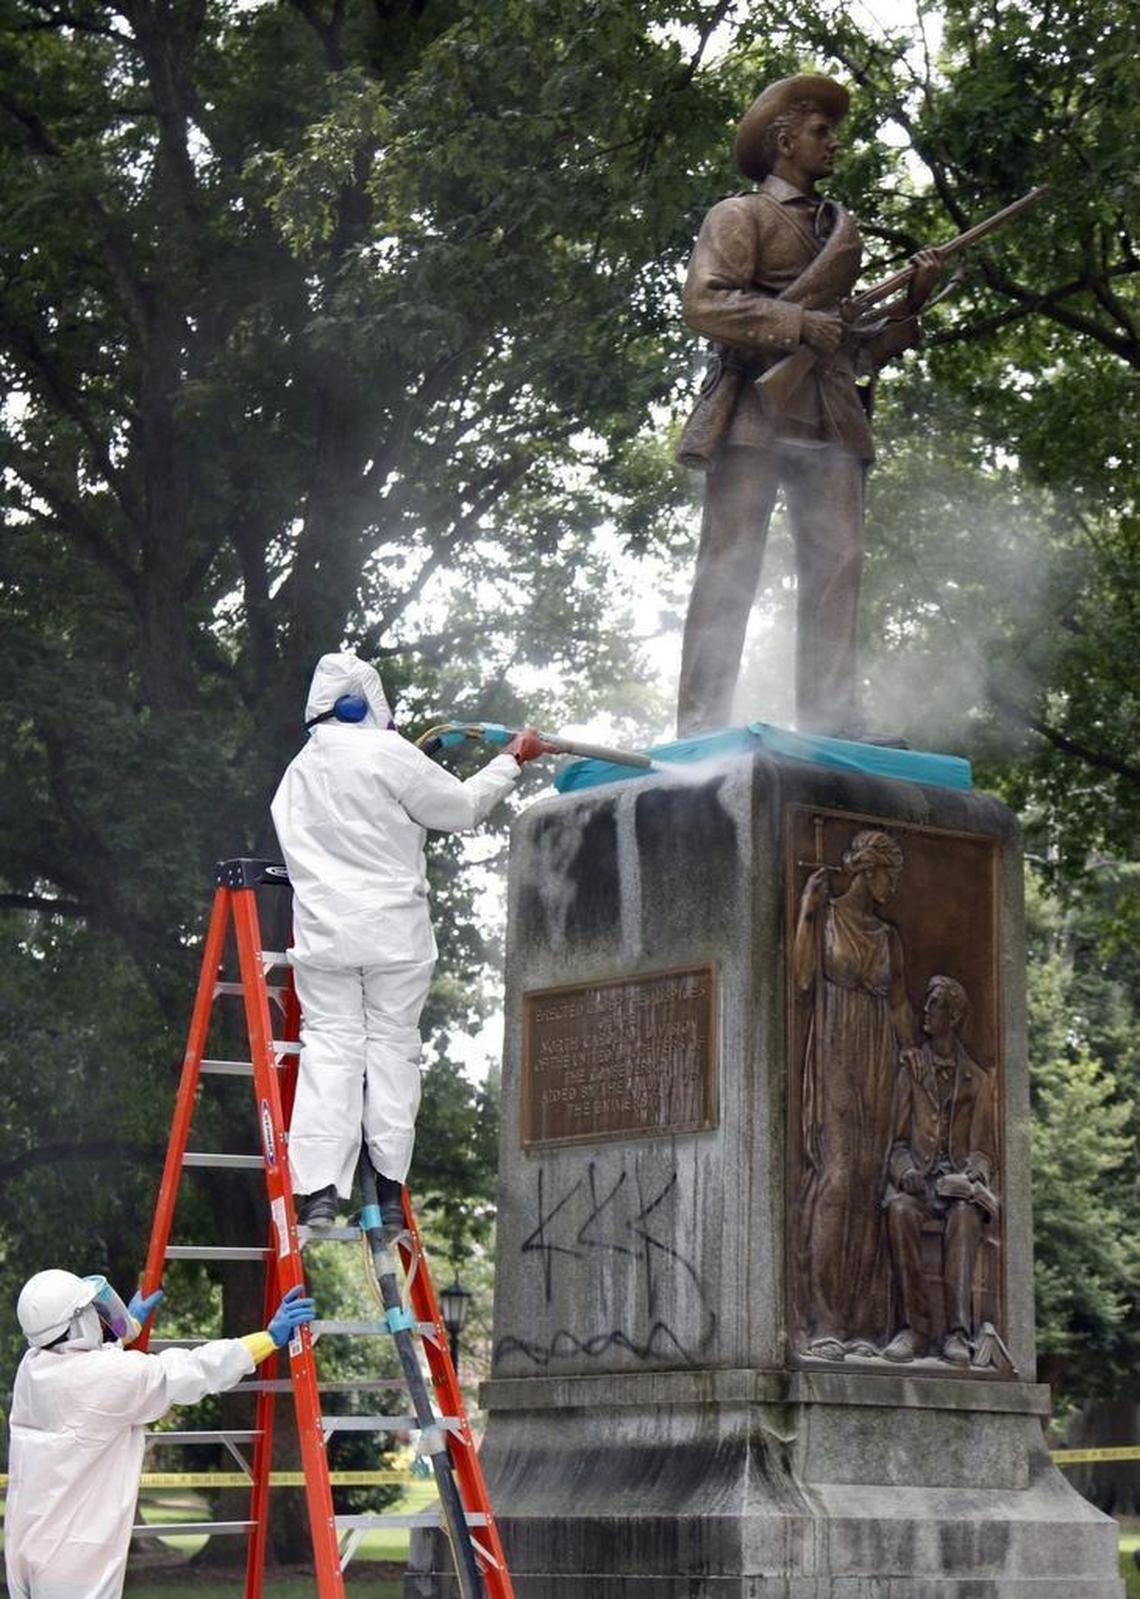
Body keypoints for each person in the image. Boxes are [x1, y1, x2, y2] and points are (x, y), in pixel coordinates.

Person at [675, 73, 942, 737]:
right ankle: (701, 722)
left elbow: (855, 348)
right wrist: (797, 325)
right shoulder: (739, 217)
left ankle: (832, 718)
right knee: (729, 565)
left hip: (828, 413)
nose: (833, 143)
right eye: (820, 131)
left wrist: (911, 303)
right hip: (753, 414)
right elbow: (706, 303)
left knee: (840, 561)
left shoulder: (834, 230)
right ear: (784, 139)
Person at [271, 651, 553, 1229]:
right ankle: (389, 1188)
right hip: (393, 934)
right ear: (359, 703)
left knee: (330, 1047)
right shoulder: (386, 753)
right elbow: (463, 808)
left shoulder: (294, 777)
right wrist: (512, 760)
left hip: (325, 934)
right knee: (393, 1047)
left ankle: (320, 1190)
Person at [5, 1267, 315, 1599]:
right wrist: (268, 1338)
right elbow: (194, 1370)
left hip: (24, 1545)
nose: (99, 1317)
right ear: (79, 1323)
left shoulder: (32, 1368)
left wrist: (129, 1327)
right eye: (93, 1312)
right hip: (71, 1564)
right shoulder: (108, 1377)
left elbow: (80, 1358)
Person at [793, 828, 917, 1357]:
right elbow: (801, 978)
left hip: (880, 1061)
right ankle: (825, 1319)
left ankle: (864, 1327)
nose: (896, 885)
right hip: (837, 1052)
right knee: (838, 1180)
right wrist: (805, 912)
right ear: (869, 870)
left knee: (869, 1185)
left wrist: (918, 1066)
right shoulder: (825, 918)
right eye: (891, 873)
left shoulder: (889, 937)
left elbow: (901, 1008)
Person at [882, 974, 999, 1365]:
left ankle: (957, 1333)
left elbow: (984, 1151)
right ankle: (913, 1329)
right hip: (919, 1188)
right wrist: (905, 1173)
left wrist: (972, 1177)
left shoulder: (978, 1081)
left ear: (956, 1016)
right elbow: (896, 1144)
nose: (926, 1012)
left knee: (965, 1217)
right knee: (898, 1210)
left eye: (936, 1005)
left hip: (957, 1191)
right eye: (927, 1003)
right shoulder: (911, 1070)